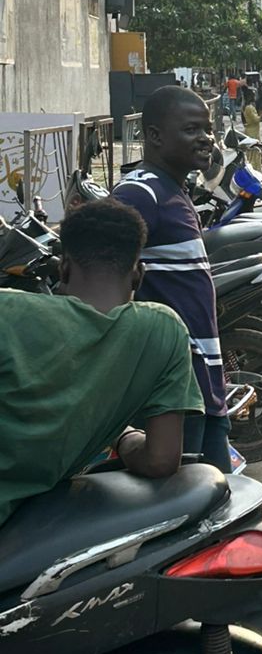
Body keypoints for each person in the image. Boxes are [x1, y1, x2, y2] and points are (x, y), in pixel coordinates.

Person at [0, 200, 203, 528]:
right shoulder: (162, 330)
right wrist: (124, 438)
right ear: (138, 274)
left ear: (63, 268)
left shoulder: (7, 310)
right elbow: (161, 460)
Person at [113, 85, 232, 469]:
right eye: (191, 129)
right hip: (173, 392)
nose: (206, 139)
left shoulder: (173, 191)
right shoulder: (140, 193)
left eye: (207, 129)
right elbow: (101, 277)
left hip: (203, 384)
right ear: (155, 136)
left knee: (216, 503)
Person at [241, 85, 262, 171]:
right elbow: (255, 119)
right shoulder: (249, 108)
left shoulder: (248, 107)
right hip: (252, 132)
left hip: (253, 130)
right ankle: (254, 170)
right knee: (253, 153)